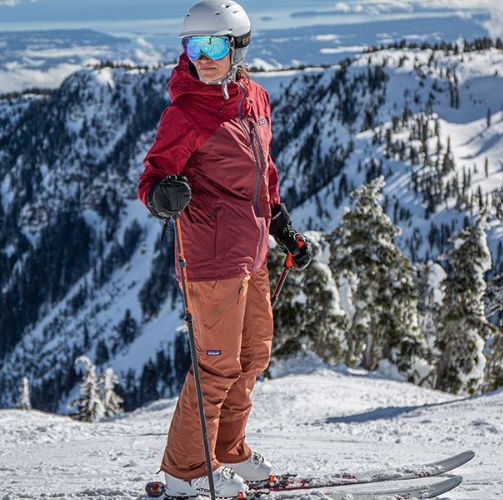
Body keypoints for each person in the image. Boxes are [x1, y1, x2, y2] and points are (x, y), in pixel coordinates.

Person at [137, 0, 312, 497]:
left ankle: (227, 451)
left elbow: (264, 175)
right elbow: (152, 177)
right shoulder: (186, 111)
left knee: (253, 356)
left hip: (251, 251)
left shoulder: (254, 98)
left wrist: (283, 228)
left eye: (213, 45)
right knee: (215, 365)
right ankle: (186, 473)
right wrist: (161, 195)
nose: (202, 56)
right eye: (193, 46)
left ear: (237, 47)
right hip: (212, 257)